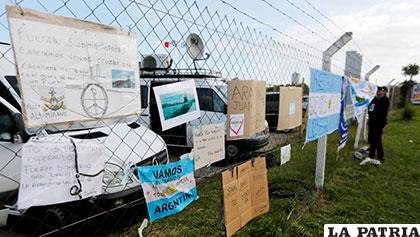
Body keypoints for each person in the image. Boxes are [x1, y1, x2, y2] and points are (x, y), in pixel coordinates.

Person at [367, 86, 390, 162]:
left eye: (379, 91)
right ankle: (373, 154)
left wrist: (382, 124)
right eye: (377, 91)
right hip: (372, 123)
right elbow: (370, 109)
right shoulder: (374, 99)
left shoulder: (384, 100)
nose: (378, 92)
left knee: (376, 140)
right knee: (371, 139)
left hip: (378, 123)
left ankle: (378, 156)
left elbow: (383, 112)